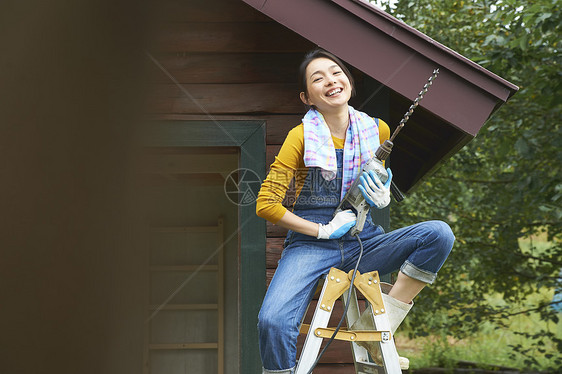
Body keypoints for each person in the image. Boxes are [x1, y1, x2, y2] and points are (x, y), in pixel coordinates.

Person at [255, 49, 455, 374]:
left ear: (348, 81)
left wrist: (381, 193)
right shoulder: (301, 137)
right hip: (310, 246)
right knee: (272, 320)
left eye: (336, 73)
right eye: (318, 78)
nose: (331, 81)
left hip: (363, 241)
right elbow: (266, 204)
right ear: (307, 97)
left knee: (438, 235)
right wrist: (321, 230)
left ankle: (378, 331)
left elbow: (370, 181)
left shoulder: (379, 131)